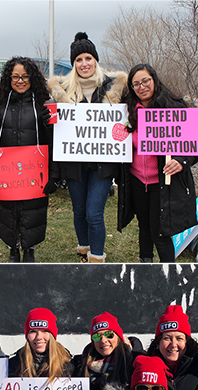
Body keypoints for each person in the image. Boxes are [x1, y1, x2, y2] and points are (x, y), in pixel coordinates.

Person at [48, 32, 128, 263]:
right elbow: (56, 128)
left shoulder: (114, 88)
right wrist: (50, 119)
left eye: (88, 58)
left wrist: (126, 127)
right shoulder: (62, 91)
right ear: (74, 64)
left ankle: (97, 257)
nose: (84, 64)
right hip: (74, 164)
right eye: (79, 60)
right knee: (79, 211)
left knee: (94, 213)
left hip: (102, 165)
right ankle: (83, 248)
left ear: (96, 60)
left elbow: (127, 120)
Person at [119, 63, 198, 263]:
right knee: (144, 227)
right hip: (137, 181)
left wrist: (181, 161)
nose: (141, 87)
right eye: (135, 84)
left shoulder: (173, 107)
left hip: (161, 184)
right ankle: (145, 266)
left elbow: (193, 147)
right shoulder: (126, 110)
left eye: (145, 81)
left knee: (161, 232)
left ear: (154, 80)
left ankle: (168, 273)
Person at [0, 57, 56, 263]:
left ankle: (29, 248)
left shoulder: (43, 104)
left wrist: (54, 173)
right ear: (8, 78)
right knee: (8, 212)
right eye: (15, 77)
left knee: (34, 211)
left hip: (35, 171)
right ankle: (13, 248)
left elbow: (53, 140)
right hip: (5, 173)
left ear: (32, 78)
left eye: (25, 76)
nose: (20, 81)